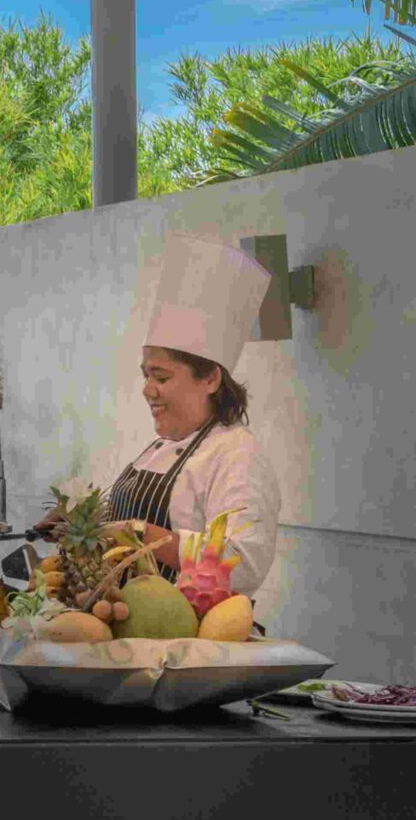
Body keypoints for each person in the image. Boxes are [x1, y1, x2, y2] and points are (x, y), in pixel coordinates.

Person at [45, 237, 281, 597]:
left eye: (162, 377)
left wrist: (143, 535)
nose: (147, 390)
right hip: (132, 629)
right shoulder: (158, 448)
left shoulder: (237, 454)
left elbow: (243, 566)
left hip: (192, 640)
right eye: (146, 375)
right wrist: (86, 526)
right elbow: (126, 528)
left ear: (210, 379)